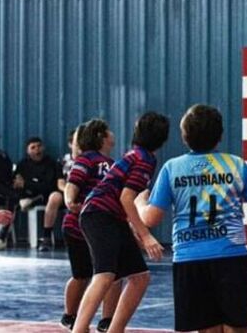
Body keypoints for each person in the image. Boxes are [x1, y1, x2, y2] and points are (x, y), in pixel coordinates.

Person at [136, 104, 247, 333]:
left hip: (190, 260)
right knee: (237, 325)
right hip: (231, 257)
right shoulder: (236, 165)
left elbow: (150, 219)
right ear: (220, 136)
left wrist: (140, 202)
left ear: (184, 137)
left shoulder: (172, 168)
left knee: (206, 328)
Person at [72, 112, 169, 333]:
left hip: (111, 217)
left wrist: (132, 227)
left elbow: (125, 199)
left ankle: (115, 329)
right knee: (105, 274)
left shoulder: (137, 155)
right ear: (162, 139)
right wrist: (145, 234)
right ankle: (79, 329)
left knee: (140, 277)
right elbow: (126, 197)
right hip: (98, 214)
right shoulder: (143, 159)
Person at [61, 121, 121, 332]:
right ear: (101, 136)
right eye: (109, 130)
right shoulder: (87, 159)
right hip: (79, 225)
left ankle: (106, 320)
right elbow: (72, 184)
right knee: (82, 275)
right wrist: (70, 200)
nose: (113, 134)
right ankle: (70, 315)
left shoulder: (114, 164)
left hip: (102, 227)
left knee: (111, 274)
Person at [14, 137, 63, 251]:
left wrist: (27, 184)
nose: (37, 150)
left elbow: (49, 187)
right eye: (33, 147)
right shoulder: (22, 165)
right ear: (28, 150)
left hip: (48, 197)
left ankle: (46, 238)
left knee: (55, 197)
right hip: (28, 197)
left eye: (39, 146)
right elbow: (17, 185)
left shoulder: (52, 163)